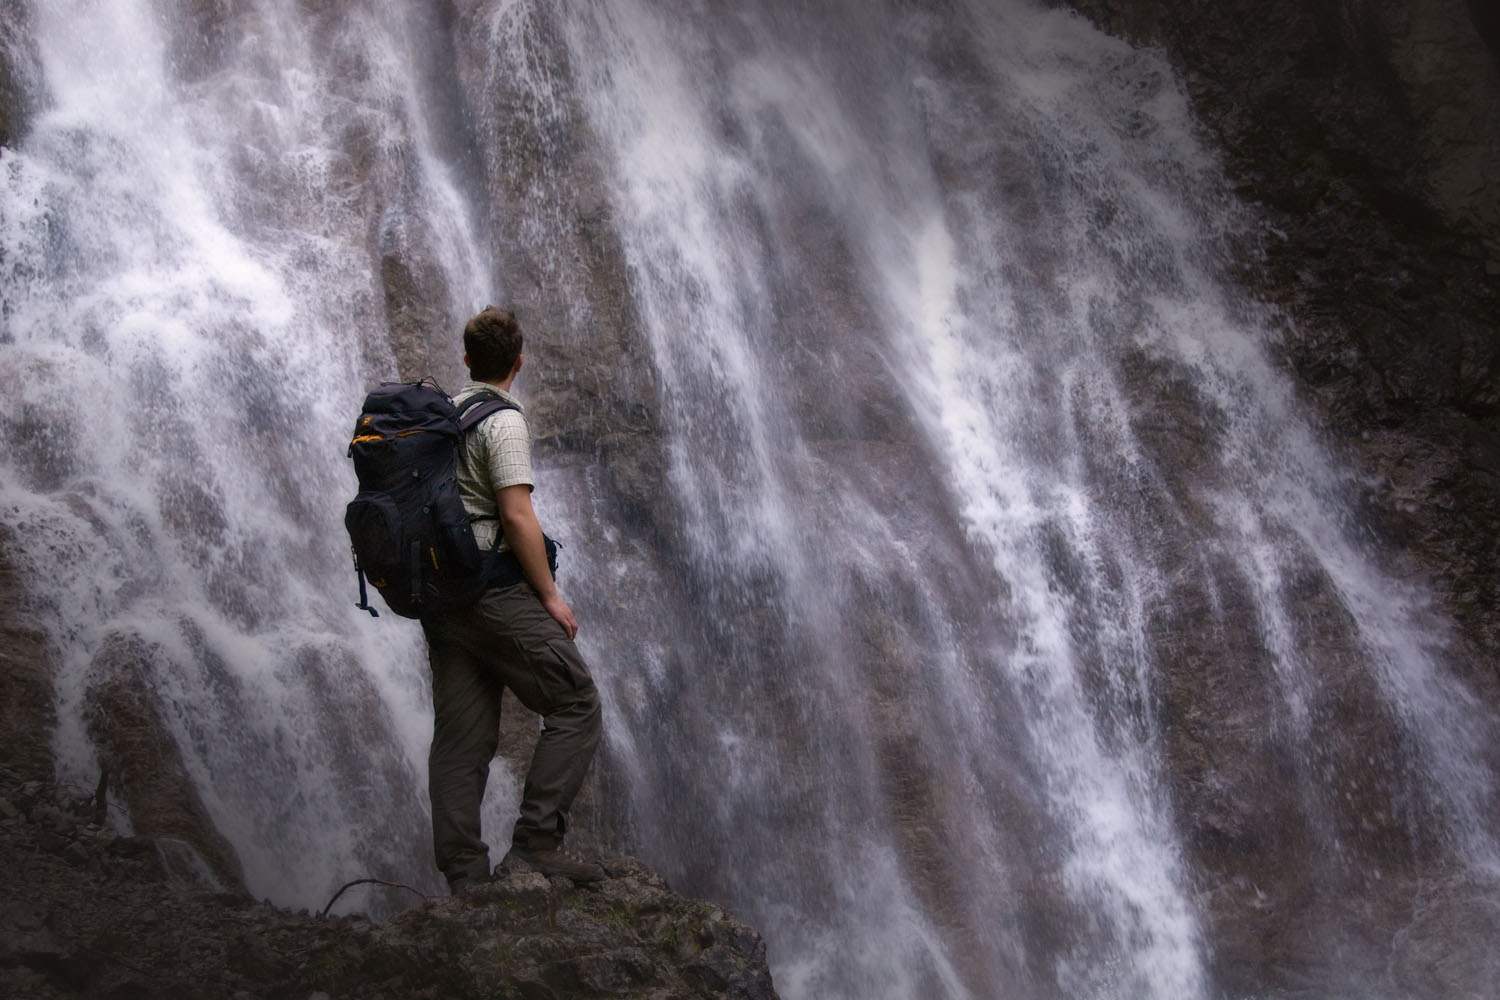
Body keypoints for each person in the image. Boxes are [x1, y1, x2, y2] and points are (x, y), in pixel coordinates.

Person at [421, 306, 604, 893]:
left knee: (461, 740)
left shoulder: (442, 416)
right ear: (518, 364)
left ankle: (465, 877)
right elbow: (517, 513)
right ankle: (535, 846)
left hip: (443, 601)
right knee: (576, 702)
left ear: (468, 358)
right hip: (492, 593)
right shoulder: (502, 422)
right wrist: (549, 597)